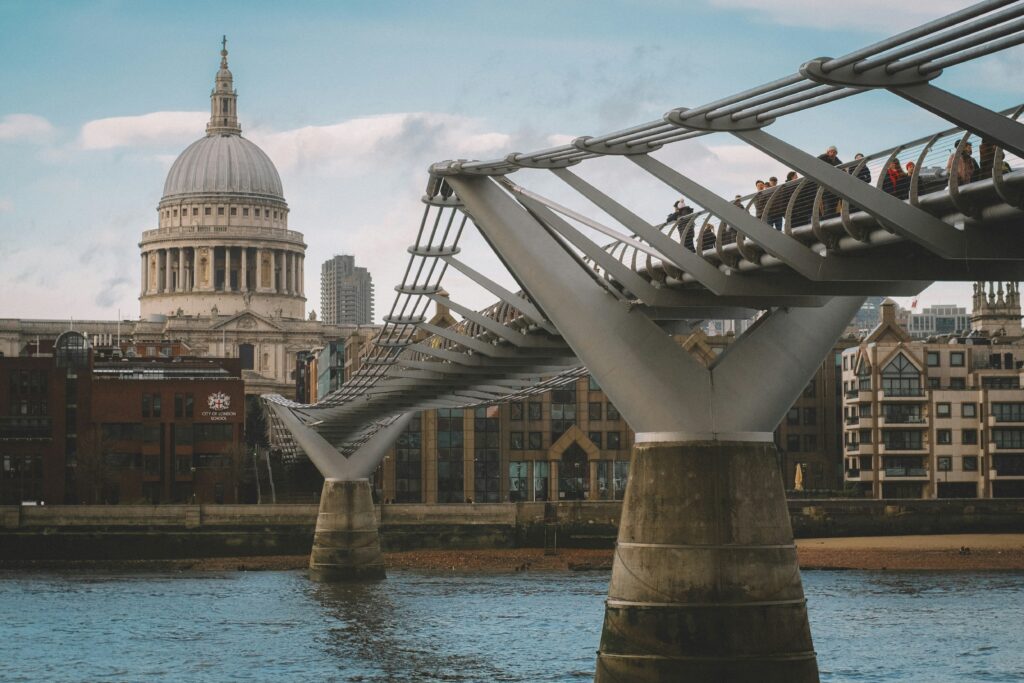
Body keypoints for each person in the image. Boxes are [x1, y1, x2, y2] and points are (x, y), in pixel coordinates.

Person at [817, 145, 842, 218]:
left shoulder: (838, 161)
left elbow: (843, 170)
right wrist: (826, 155)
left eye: (834, 152)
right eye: (831, 152)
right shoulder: (823, 158)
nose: (833, 153)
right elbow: (815, 161)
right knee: (827, 208)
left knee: (836, 208)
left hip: (835, 188)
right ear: (828, 152)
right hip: (826, 188)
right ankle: (828, 222)